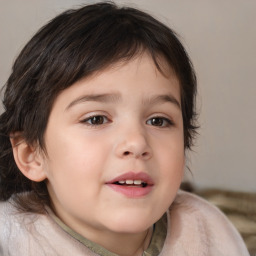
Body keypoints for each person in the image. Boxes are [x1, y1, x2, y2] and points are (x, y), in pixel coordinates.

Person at [0, 2, 249, 256]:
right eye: (96, 119)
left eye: (158, 121)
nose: (136, 143)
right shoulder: (13, 242)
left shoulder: (205, 231)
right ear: (31, 154)